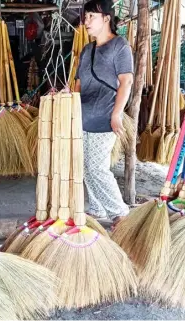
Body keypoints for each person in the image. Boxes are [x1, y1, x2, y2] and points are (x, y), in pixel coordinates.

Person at [74, 0, 134, 224]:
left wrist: (116, 114)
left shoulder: (120, 46)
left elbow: (126, 82)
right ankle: (98, 209)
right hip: (83, 117)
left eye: (92, 16)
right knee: (85, 168)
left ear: (107, 18)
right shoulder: (87, 49)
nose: (86, 21)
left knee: (97, 167)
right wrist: (71, 106)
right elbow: (79, 83)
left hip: (105, 117)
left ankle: (120, 214)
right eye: (86, 16)